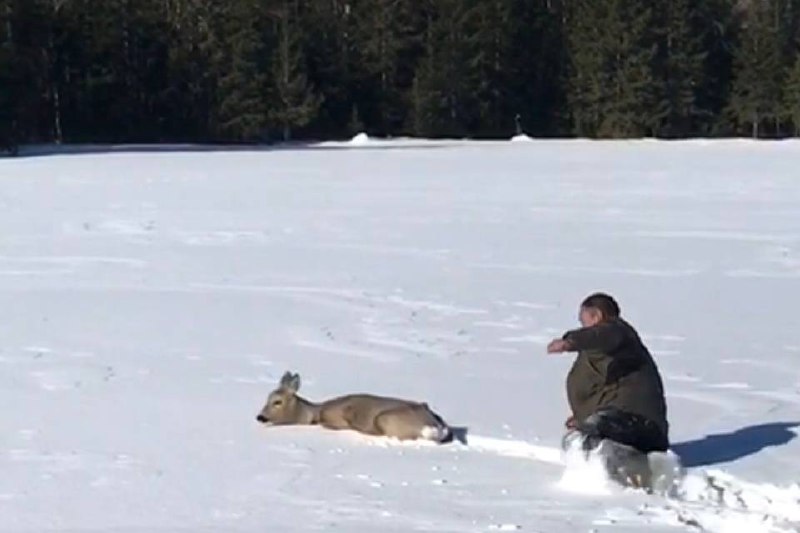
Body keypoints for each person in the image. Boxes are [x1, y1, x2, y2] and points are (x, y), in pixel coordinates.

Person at [547, 292, 670, 456]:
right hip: (623, 422)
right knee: (579, 436)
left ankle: (616, 465)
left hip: (640, 425)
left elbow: (600, 335)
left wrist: (570, 341)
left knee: (589, 433)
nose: (583, 326)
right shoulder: (603, 354)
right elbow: (606, 390)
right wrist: (582, 415)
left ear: (597, 316)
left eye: (584, 320)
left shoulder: (617, 332)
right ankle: (600, 465)